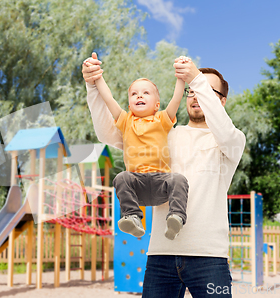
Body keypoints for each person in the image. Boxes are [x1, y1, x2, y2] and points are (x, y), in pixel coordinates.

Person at [82, 52, 246, 298]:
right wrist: (92, 85)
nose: (196, 94)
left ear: (221, 102)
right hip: (160, 256)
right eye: (192, 90)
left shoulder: (231, 141)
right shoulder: (164, 134)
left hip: (210, 258)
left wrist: (196, 79)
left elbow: (223, 128)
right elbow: (108, 132)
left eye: (205, 91)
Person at [83, 55, 191, 240]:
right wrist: (97, 78)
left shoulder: (162, 119)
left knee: (179, 180)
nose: (139, 95)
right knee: (121, 177)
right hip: (136, 186)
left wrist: (181, 78)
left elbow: (176, 99)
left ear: (157, 105)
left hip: (161, 183)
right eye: (134, 94)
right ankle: (132, 217)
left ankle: (176, 218)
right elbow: (108, 99)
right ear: (129, 104)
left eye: (146, 93)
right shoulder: (125, 120)